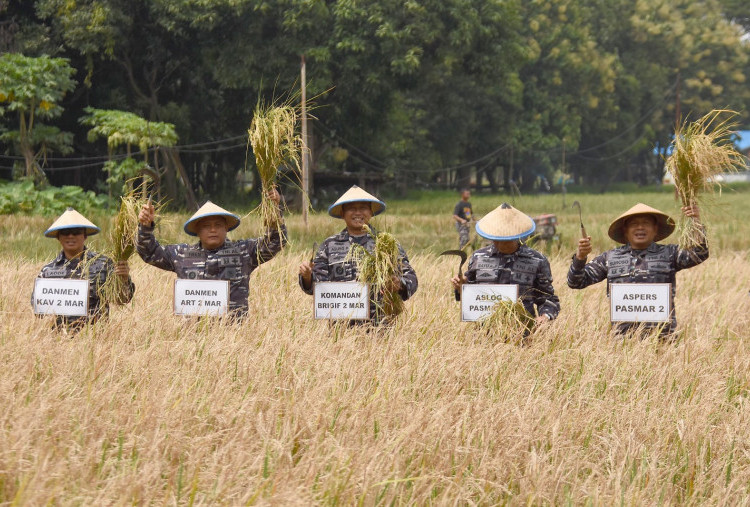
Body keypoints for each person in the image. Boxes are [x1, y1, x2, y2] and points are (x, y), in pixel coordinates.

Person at [136, 189, 286, 318]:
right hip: (193, 337)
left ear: (226, 228)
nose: (213, 230)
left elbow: (275, 241)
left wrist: (274, 210)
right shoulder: (182, 254)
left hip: (235, 337)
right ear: (197, 231)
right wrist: (145, 226)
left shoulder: (244, 252)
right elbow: (149, 252)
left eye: (218, 225)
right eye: (206, 226)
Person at [567, 202, 708, 337]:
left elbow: (699, 254)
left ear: (655, 229)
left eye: (646, 223)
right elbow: (576, 282)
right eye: (634, 224)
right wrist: (580, 257)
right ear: (625, 231)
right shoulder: (610, 258)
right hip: (621, 342)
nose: (640, 227)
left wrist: (695, 221)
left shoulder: (670, 253)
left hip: (662, 340)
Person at [298, 185, 418, 325]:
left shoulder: (386, 243)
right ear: (342, 213)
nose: (358, 213)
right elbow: (317, 287)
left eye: (363, 208)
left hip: (381, 326)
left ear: (371, 212)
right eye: (351, 208)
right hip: (341, 330)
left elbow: (411, 278)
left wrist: (398, 284)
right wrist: (307, 276)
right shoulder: (329, 245)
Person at [451, 203, 560, 326]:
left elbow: (548, 299)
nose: (500, 244)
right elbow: (471, 296)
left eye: (505, 240)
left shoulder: (536, 260)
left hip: (523, 333)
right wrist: (461, 287)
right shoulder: (478, 257)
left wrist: (545, 317)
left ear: (516, 237)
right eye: (496, 239)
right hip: (483, 333)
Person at [34, 207, 134, 329]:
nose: (70, 236)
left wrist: (123, 279)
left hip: (97, 340)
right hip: (59, 340)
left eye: (76, 232)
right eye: (65, 233)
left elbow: (122, 300)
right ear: (58, 237)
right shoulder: (48, 271)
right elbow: (38, 311)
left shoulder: (103, 264)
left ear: (85, 236)